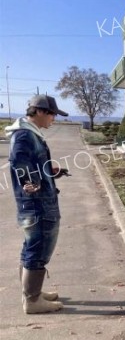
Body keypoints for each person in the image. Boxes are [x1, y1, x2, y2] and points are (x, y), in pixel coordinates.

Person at [6, 95, 70, 314]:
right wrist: (31, 182)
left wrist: (48, 173)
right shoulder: (24, 135)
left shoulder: (28, 133)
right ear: (40, 112)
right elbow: (19, 164)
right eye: (52, 114)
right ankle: (32, 301)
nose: (54, 119)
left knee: (32, 247)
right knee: (39, 249)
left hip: (36, 202)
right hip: (37, 205)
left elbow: (30, 165)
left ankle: (31, 293)